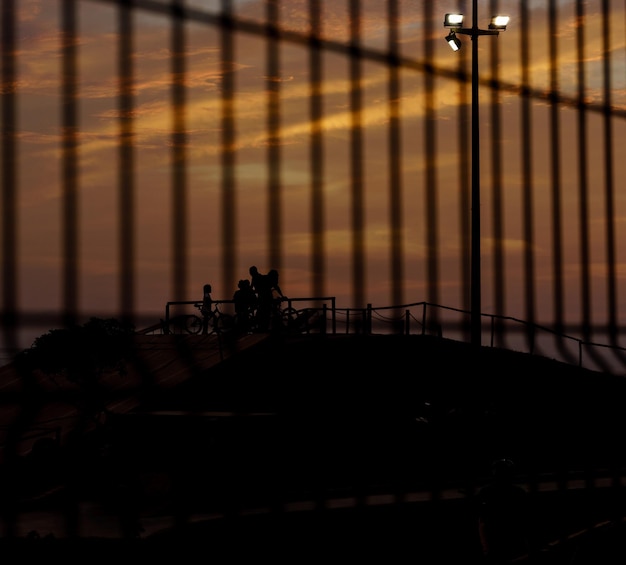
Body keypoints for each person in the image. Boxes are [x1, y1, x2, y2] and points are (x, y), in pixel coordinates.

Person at [476, 458, 537, 564]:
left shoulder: (487, 493)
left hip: (506, 545)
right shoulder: (518, 493)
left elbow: (482, 523)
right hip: (509, 545)